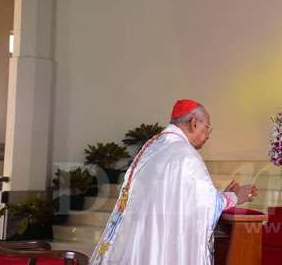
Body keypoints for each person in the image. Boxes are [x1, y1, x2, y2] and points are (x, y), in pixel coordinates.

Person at [90, 99, 257, 265]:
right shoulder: (184, 153)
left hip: (139, 243)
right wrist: (235, 197)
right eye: (207, 128)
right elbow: (203, 206)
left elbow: (179, 199)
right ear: (194, 123)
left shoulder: (154, 145)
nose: (208, 135)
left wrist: (219, 196)